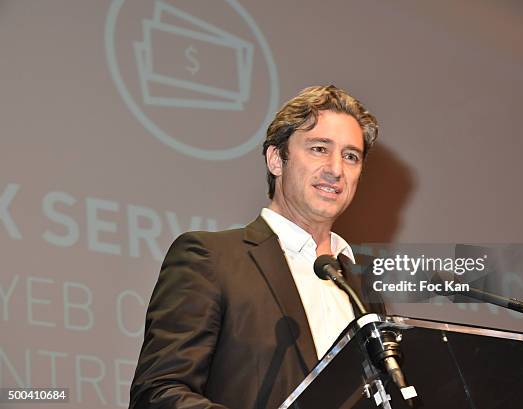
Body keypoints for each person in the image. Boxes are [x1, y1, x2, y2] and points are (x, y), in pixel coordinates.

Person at [129, 85, 385, 409]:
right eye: (320, 149)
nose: (336, 170)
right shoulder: (210, 259)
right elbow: (158, 393)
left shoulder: (361, 284)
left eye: (351, 156)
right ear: (277, 159)